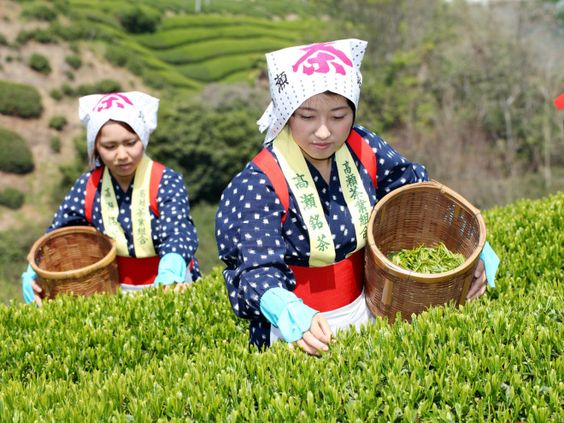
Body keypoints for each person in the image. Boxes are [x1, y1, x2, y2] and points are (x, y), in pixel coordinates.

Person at [216, 39, 499, 355]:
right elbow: (256, 267)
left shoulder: (364, 146)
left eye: (338, 116)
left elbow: (415, 194)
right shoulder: (262, 179)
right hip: (297, 329)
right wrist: (286, 309)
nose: (323, 132)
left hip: (366, 308)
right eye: (307, 116)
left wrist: (470, 245)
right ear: (285, 114)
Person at [22, 91, 201, 305]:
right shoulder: (88, 186)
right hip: (112, 289)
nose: (122, 155)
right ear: (95, 148)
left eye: (130, 143)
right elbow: (58, 235)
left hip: (171, 282)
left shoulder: (165, 181)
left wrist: (171, 270)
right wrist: (34, 271)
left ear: (142, 139)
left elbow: (178, 231)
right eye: (110, 147)